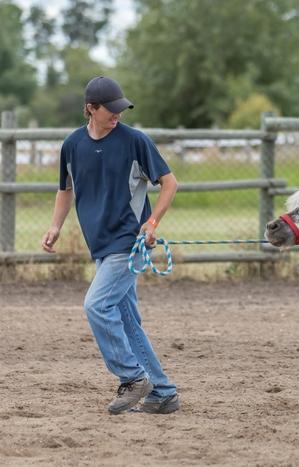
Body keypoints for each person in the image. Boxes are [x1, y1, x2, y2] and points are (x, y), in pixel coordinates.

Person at [41, 76, 180, 415]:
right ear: (91, 108)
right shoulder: (72, 145)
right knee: (127, 321)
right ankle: (161, 392)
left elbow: (169, 182)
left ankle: (132, 377)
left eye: (121, 108)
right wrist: (55, 226)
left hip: (129, 244)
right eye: (111, 109)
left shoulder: (135, 141)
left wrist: (152, 222)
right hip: (101, 245)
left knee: (96, 305)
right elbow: (65, 189)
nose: (118, 114)